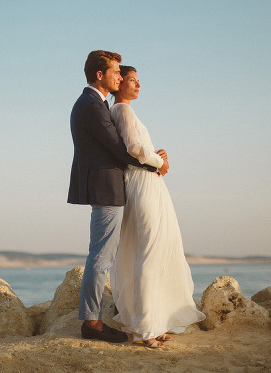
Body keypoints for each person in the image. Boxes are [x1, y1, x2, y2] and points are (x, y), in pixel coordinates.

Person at [67, 50, 167, 343]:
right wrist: (158, 163)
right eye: (116, 72)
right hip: (106, 188)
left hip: (106, 186)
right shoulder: (92, 106)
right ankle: (92, 323)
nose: (120, 78)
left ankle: (95, 319)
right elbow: (119, 149)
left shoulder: (91, 104)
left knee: (102, 255)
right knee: (101, 257)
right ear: (100, 75)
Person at [109, 65, 205, 348]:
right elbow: (134, 149)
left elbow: (141, 149)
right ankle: (145, 327)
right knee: (149, 251)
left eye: (139, 81)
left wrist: (156, 158)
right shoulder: (122, 110)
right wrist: (159, 161)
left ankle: (153, 321)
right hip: (142, 182)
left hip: (149, 181)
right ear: (119, 83)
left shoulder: (126, 111)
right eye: (132, 80)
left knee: (158, 249)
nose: (138, 85)